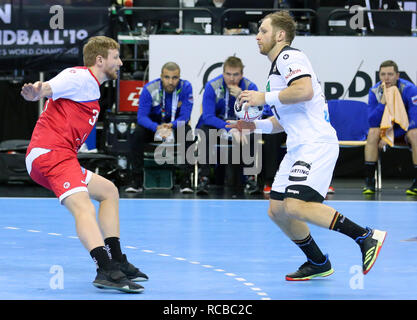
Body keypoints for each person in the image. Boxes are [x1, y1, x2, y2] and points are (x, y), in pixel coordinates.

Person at [227, 11, 387, 280]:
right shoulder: (276, 71)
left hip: (315, 144)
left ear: (280, 35)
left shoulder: (290, 57)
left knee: (296, 205)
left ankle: (366, 236)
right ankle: (318, 262)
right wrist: (253, 125)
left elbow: (305, 91)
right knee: (278, 210)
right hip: (298, 146)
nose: (257, 36)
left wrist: (260, 97)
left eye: (263, 31)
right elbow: (281, 122)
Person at [21, 36, 147, 293]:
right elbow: (49, 87)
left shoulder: (91, 87)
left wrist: (41, 92)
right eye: (116, 58)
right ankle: (105, 269)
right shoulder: (78, 77)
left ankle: (117, 260)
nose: (121, 63)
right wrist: (38, 92)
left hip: (61, 156)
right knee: (84, 207)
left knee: (109, 191)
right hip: (49, 155)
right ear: (100, 60)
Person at [195, 56, 261, 195]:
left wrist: (242, 97)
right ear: (223, 73)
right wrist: (230, 128)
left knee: (253, 132)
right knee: (205, 131)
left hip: (241, 127)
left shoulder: (250, 88)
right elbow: (207, 116)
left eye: (236, 74)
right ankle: (204, 178)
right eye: (228, 74)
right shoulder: (212, 86)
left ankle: (250, 178)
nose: (232, 78)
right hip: (218, 127)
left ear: (242, 75)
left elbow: (258, 115)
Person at [125, 62, 194, 194]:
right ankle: (136, 180)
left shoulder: (186, 87)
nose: (171, 82)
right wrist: (156, 127)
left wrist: (171, 125)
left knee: (187, 133)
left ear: (179, 78)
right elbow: (141, 117)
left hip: (174, 125)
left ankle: (186, 181)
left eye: (175, 78)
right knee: (137, 133)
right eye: (167, 77)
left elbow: (185, 116)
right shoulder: (149, 88)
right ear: (161, 77)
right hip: (154, 126)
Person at [363, 60, 417, 195]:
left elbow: (414, 120)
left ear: (397, 76)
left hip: (404, 130)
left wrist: (390, 136)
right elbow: (372, 121)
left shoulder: (410, 89)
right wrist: (382, 103)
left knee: (415, 133)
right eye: (383, 74)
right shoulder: (375, 91)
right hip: (384, 130)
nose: (386, 78)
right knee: (372, 132)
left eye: (390, 74)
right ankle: (369, 181)